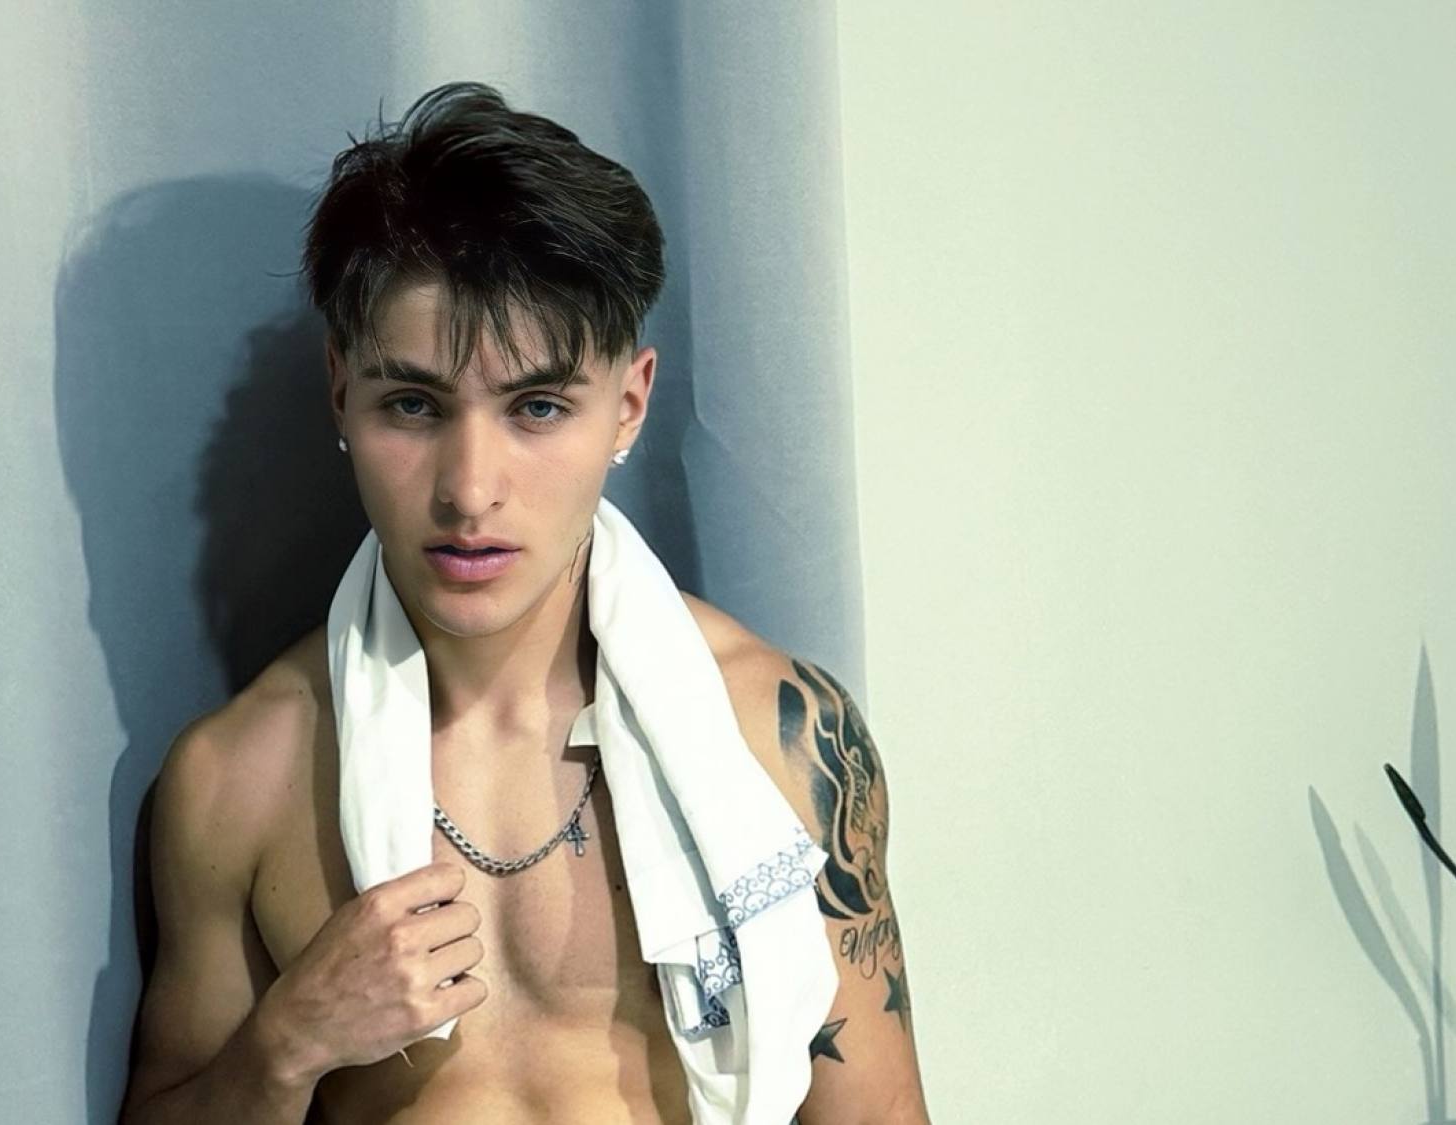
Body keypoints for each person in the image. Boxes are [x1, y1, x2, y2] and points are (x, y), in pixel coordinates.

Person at [119, 81, 930, 1124]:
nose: (469, 491)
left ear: (627, 407)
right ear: (340, 391)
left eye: (537, 407)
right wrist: (287, 1045)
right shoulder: (241, 780)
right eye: (413, 404)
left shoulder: (780, 734)